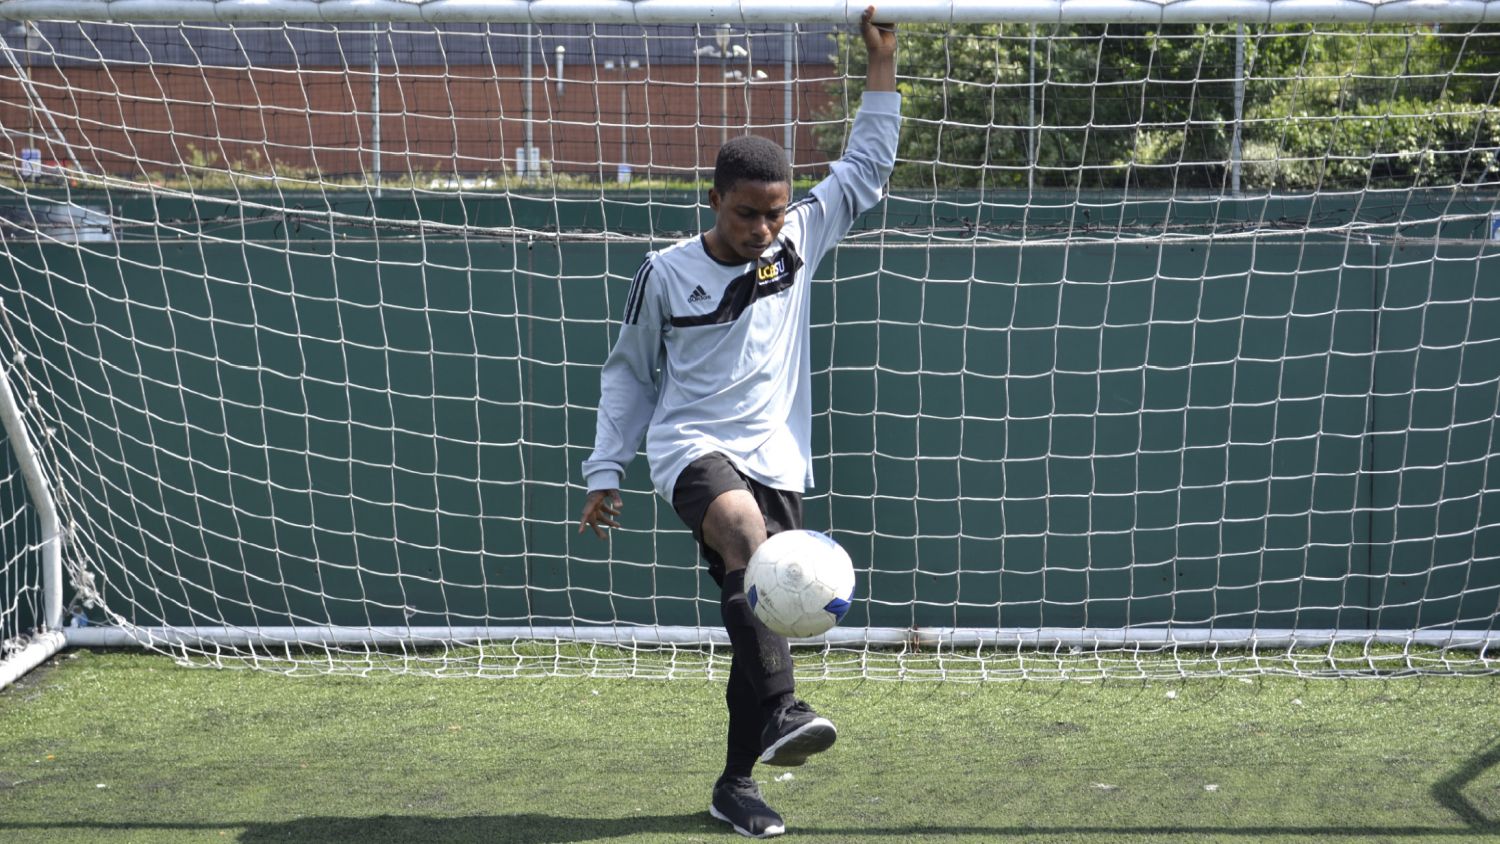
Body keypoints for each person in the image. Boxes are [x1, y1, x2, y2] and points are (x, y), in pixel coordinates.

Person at [578, 7, 900, 838]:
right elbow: (628, 375)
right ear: (714, 199)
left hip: (778, 453)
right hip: (691, 448)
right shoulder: (665, 274)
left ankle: (735, 784)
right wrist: (606, 471)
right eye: (747, 213)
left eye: (775, 213)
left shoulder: (796, 240)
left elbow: (864, 169)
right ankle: (788, 710)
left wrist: (880, 67)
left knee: (756, 609)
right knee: (743, 535)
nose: (764, 230)